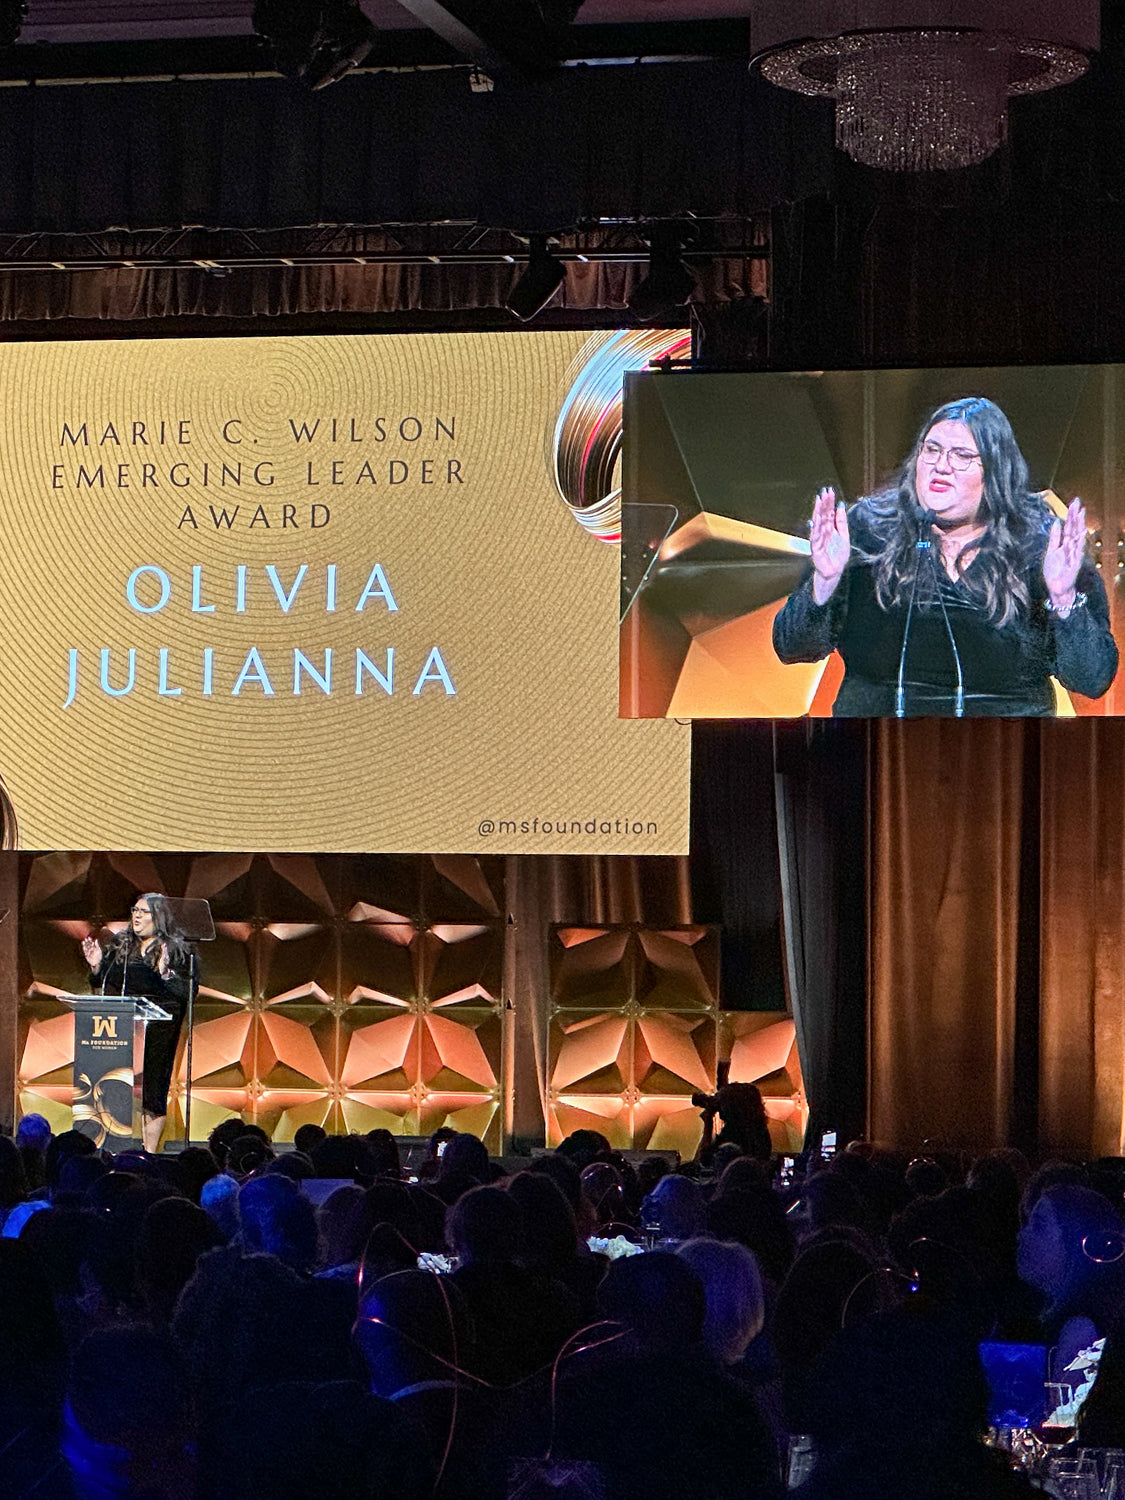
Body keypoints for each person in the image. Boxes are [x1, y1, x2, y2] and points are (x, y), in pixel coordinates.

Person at [773, 396, 1118, 716]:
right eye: (932, 450)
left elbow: (1091, 679)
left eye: (962, 456)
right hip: (879, 743)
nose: (942, 466)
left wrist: (1063, 598)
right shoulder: (866, 531)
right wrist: (825, 581)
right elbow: (792, 648)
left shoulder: (1043, 543)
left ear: (995, 471)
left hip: (1005, 748)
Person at [81, 893, 197, 1153]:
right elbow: (105, 984)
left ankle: (149, 1153)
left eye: (144, 912)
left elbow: (188, 992)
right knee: (111, 1084)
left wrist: (166, 973)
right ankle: (108, 1148)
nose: (137, 915)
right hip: (124, 1026)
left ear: (159, 917)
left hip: (160, 1027)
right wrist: (97, 966)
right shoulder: (122, 944)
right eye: (135, 910)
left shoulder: (177, 949)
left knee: (153, 1091)